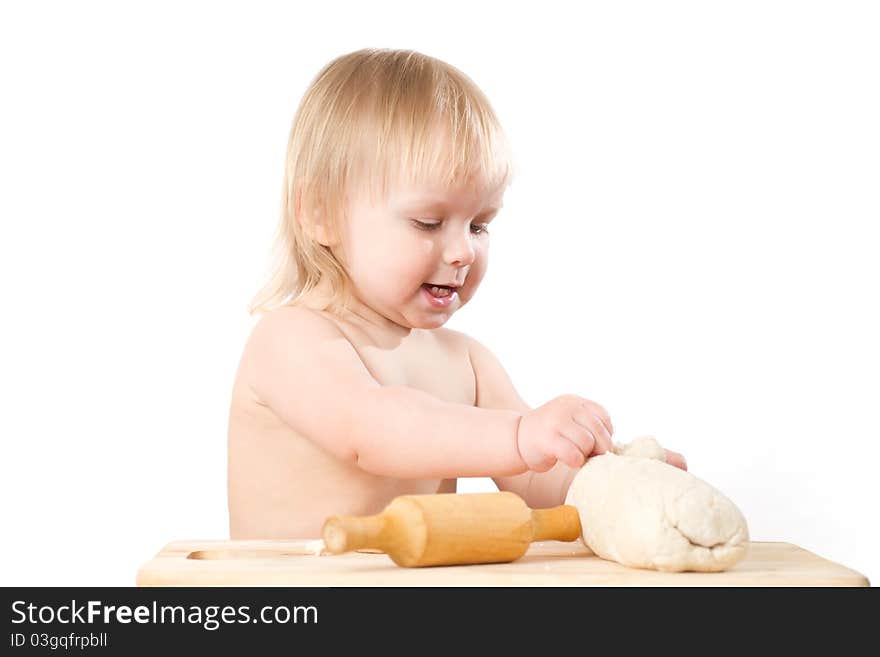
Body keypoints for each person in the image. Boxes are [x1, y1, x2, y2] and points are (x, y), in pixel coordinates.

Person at [227, 48, 686, 539]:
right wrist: (518, 434)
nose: (464, 250)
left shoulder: (467, 362)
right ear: (319, 213)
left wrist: (613, 482)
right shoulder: (291, 339)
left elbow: (533, 474)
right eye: (429, 222)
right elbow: (375, 431)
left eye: (481, 225)